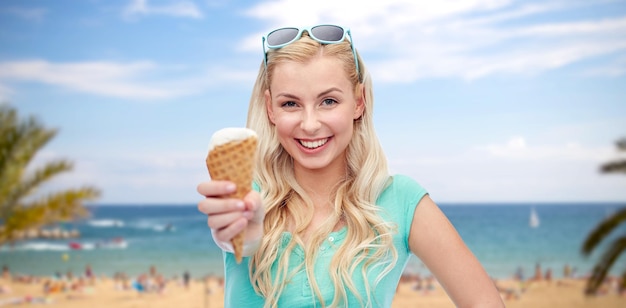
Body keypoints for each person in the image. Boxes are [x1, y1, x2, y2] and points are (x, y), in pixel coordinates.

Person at [197, 24, 504, 307]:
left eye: (328, 101)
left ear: (359, 102)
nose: (310, 124)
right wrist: (242, 234)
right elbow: (233, 237)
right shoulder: (246, 196)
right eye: (290, 103)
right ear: (270, 109)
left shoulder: (400, 200)